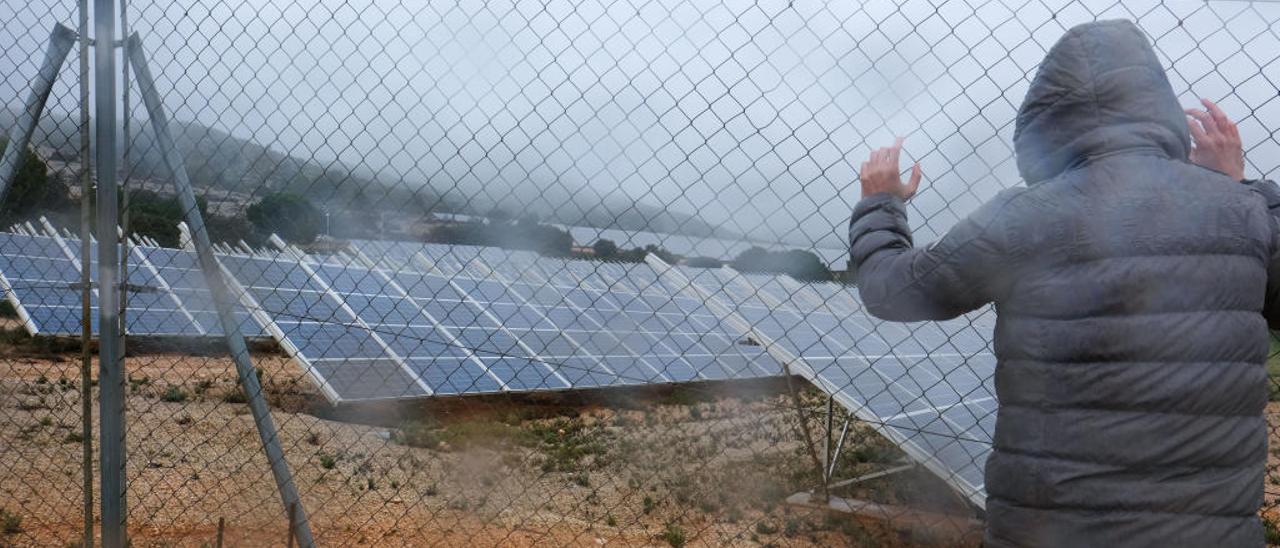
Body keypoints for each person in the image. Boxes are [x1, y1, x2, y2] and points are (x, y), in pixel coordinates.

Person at [848, 19, 1277, 547]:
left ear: (1046, 122)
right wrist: (1237, 184)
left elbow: (892, 292)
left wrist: (880, 203)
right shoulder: (1246, 214)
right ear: (1160, 110)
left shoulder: (1022, 217)